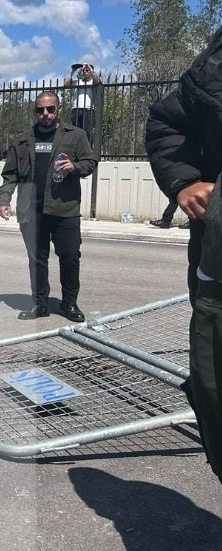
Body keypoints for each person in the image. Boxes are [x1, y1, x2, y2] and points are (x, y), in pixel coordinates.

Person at [145, 27, 222, 484]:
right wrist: (184, 181)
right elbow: (166, 124)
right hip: (217, 269)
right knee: (213, 392)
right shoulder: (213, 66)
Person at [0, 90, 97, 321]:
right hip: (32, 211)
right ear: (35, 111)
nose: (45, 114)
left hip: (65, 209)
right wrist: (4, 200)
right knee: (37, 261)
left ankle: (69, 303)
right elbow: (10, 173)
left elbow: (90, 161)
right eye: (40, 110)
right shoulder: (23, 139)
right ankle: (40, 305)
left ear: (59, 109)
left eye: (50, 109)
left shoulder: (76, 136)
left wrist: (75, 167)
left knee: (70, 257)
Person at [64, 63, 101, 144]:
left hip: (88, 110)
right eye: (83, 70)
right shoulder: (77, 82)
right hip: (76, 109)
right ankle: (77, 150)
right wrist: (73, 71)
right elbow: (66, 84)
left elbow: (98, 81)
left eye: (87, 70)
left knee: (87, 132)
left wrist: (89, 67)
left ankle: (88, 149)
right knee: (75, 132)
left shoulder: (93, 82)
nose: (85, 72)